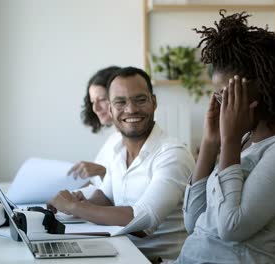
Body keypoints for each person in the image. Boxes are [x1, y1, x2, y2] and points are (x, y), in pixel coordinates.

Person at [174, 11, 275, 263]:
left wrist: (228, 142)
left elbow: (231, 227)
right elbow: (193, 220)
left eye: (227, 95)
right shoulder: (243, 142)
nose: (221, 104)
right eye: (218, 95)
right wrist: (210, 143)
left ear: (262, 89)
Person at [47, 67, 195, 261]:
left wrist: (75, 207)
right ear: (111, 109)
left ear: (154, 102)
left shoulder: (173, 154)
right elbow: (106, 196)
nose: (131, 109)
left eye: (140, 100)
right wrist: (72, 201)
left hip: (152, 260)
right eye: (120, 102)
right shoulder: (117, 147)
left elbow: (142, 221)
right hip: (118, 251)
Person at [67, 66, 121, 189]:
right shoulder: (113, 139)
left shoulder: (133, 142)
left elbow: (128, 186)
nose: (96, 108)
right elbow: (96, 183)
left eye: (102, 99)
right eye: (92, 102)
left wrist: (102, 171)